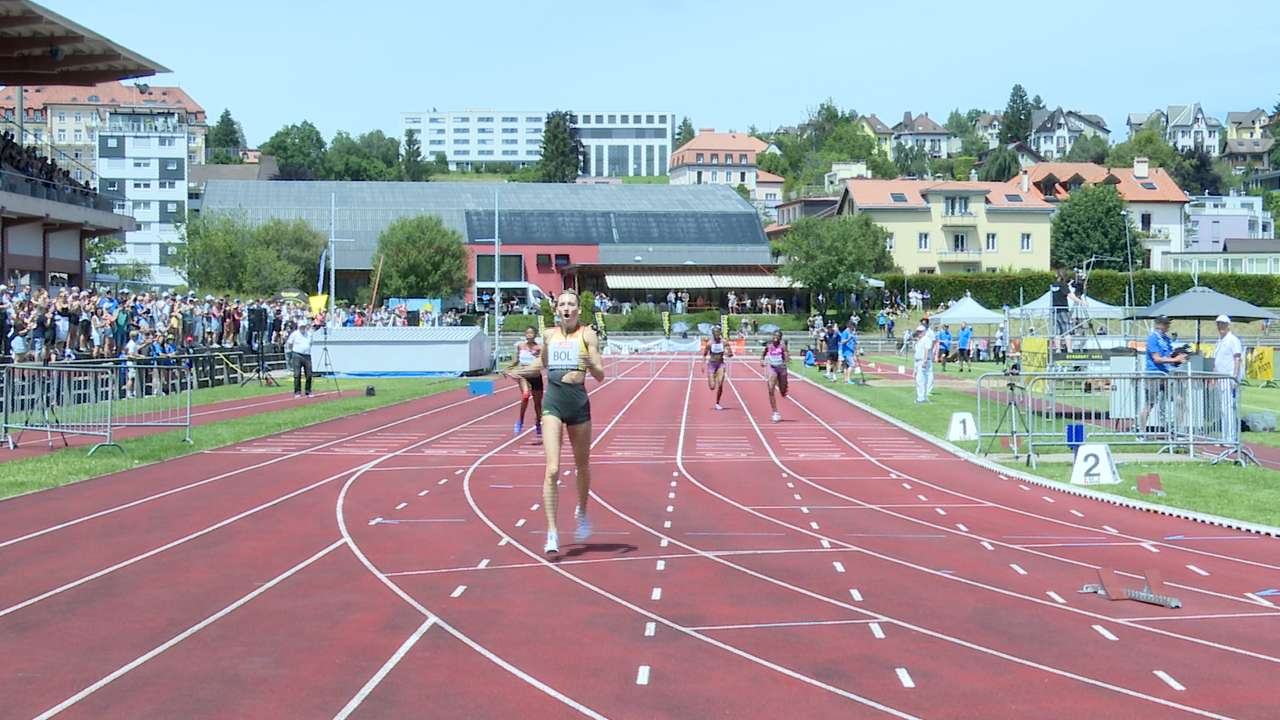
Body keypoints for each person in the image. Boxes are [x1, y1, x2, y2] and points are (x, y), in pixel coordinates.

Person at [509, 291, 605, 554]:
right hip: (553, 403)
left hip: (578, 404)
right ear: (557, 310)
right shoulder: (549, 335)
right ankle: (552, 532)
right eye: (562, 304)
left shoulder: (587, 335)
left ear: (578, 310)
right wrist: (516, 371)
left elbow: (600, 375)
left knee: (582, 466)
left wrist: (590, 364)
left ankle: (582, 511)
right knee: (552, 470)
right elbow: (541, 364)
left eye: (571, 304)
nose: (566, 308)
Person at [1136, 315, 1186, 438]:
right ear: (1158, 324)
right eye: (1165, 323)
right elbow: (1157, 358)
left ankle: (1177, 430)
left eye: (1168, 323)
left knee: (1179, 400)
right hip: (1153, 375)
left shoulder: (1166, 339)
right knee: (1149, 404)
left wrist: (1179, 357)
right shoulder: (1152, 338)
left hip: (1167, 375)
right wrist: (1175, 359)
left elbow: (1169, 356)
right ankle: (1141, 431)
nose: (1168, 326)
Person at [506, 326, 544, 437]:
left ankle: (538, 422)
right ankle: (520, 420)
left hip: (535, 376)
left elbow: (543, 361)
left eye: (531, 333)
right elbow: (516, 361)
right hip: (524, 375)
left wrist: (539, 356)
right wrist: (507, 369)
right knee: (526, 395)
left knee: (537, 404)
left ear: (535, 335)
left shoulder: (539, 347)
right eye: (527, 333)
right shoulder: (520, 346)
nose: (529, 335)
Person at [1213, 314, 1243, 443]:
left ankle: (1230, 437)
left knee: (1228, 408)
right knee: (1223, 408)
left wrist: (1234, 377)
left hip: (1229, 378)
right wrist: (1214, 377)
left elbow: (1237, 358)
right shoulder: (1219, 341)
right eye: (1219, 324)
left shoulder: (1233, 340)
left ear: (1228, 325)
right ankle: (1225, 436)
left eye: (1223, 324)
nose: (1221, 326)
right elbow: (1217, 361)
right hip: (1220, 378)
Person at [760, 329, 789, 422]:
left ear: (780, 338)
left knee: (783, 391)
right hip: (772, 368)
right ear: (772, 336)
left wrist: (786, 361)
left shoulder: (783, 346)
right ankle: (775, 412)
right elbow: (763, 354)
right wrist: (762, 360)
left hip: (782, 369)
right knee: (770, 389)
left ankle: (783, 386)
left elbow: (787, 357)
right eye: (774, 335)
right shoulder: (769, 346)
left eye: (778, 336)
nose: (776, 337)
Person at [703, 325, 733, 410]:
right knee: (712, 387)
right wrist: (703, 365)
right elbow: (704, 355)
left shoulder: (724, 342)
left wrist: (728, 353)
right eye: (715, 333)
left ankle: (717, 403)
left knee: (720, 384)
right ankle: (713, 376)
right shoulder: (709, 343)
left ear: (720, 333)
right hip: (712, 364)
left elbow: (731, 354)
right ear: (713, 334)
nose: (716, 334)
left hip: (720, 364)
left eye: (718, 332)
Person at [284, 322, 314, 398]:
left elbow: (310, 343)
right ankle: (297, 392)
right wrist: (293, 351)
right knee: (297, 374)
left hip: (307, 355)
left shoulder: (309, 334)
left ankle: (308, 391)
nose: (302, 328)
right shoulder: (294, 334)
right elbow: (289, 343)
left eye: (303, 327)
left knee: (309, 374)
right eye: (301, 327)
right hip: (297, 355)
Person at [913, 319, 936, 403]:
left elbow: (926, 350)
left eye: (920, 332)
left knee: (920, 380)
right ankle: (923, 396)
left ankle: (921, 397)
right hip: (919, 361)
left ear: (923, 332)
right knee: (921, 379)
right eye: (918, 332)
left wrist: (925, 361)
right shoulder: (920, 340)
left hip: (923, 361)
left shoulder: (926, 339)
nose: (918, 333)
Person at [840, 319, 860, 385]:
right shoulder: (845, 332)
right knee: (852, 365)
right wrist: (849, 339)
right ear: (850, 326)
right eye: (853, 326)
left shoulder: (852, 333)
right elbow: (842, 342)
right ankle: (848, 379)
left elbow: (855, 342)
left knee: (846, 366)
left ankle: (845, 380)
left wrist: (857, 350)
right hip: (846, 352)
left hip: (851, 352)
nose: (854, 328)